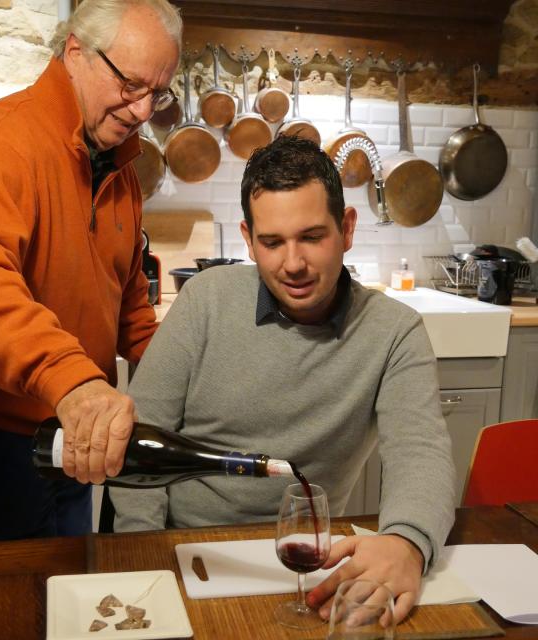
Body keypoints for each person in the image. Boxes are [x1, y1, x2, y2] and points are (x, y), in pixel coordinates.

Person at [109, 136, 456, 624]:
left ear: (347, 228)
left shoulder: (395, 332)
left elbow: (421, 453)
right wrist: (144, 560)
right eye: (272, 243)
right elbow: (139, 445)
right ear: (248, 239)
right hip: (186, 553)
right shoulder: (205, 301)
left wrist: (406, 542)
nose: (293, 264)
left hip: (310, 563)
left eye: (312, 237)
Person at [0, 0, 182, 544]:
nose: (144, 110)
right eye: (131, 85)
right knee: (2, 596)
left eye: (158, 93)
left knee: (67, 576)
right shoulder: (2, 142)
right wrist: (73, 379)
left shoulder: (120, 166)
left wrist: (182, 371)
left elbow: (127, 307)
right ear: (76, 51)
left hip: (67, 413)